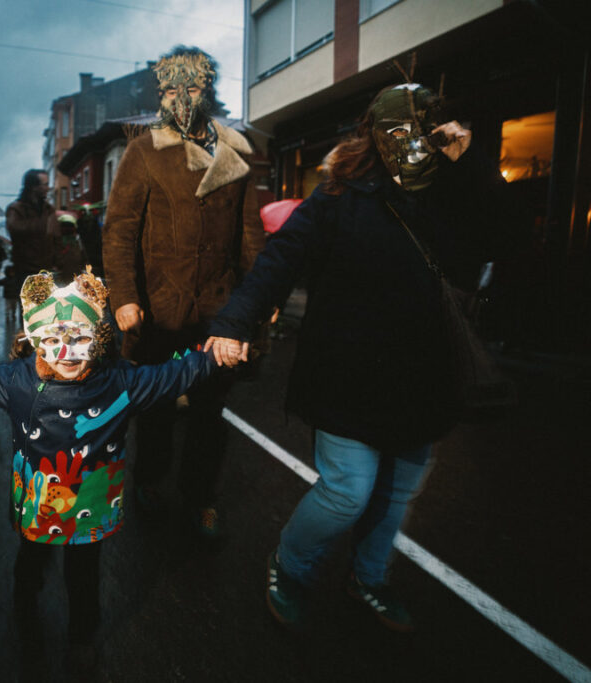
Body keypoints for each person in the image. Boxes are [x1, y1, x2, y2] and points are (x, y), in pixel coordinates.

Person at [206, 82, 520, 631]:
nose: (411, 143)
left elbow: (506, 238)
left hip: (425, 377)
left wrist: (471, 164)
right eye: (397, 131)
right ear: (375, 136)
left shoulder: (454, 196)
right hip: (349, 376)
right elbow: (279, 261)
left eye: (422, 130)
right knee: (348, 493)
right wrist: (235, 321)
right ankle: (291, 566)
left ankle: (368, 578)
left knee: (396, 492)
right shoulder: (338, 198)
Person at [0, 270, 222, 680]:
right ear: (35, 340)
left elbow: (170, 377)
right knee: (31, 561)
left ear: (99, 338)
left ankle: (81, 637)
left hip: (89, 506)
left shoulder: (119, 383)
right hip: (39, 504)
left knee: (83, 575)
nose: (67, 353)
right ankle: (25, 608)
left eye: (79, 339)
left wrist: (213, 356)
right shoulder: (18, 380)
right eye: (53, 341)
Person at [101, 46, 266, 539]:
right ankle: (149, 482)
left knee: (209, 415)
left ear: (207, 90)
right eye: (171, 88)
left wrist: (259, 298)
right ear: (161, 93)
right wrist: (124, 297)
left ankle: (200, 500)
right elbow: (119, 230)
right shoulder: (144, 150)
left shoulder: (234, 151)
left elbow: (250, 234)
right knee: (153, 410)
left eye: (191, 87)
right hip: (158, 309)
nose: (181, 97)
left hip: (218, 310)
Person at [6, 169, 56, 295]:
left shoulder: (48, 209)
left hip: (46, 270)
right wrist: (46, 223)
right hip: (25, 271)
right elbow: (15, 228)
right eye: (45, 184)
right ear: (34, 187)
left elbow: (55, 238)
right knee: (28, 311)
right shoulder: (16, 208)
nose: (48, 188)